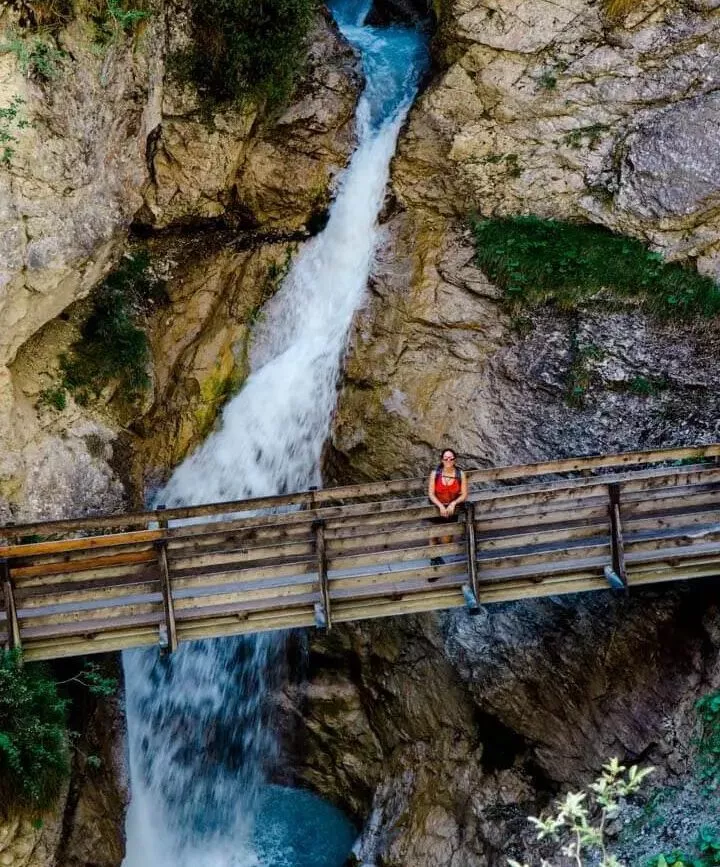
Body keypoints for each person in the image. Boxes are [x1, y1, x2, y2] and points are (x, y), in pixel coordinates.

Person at [427, 448, 468, 571]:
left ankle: (437, 557)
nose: (448, 460)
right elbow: (431, 493)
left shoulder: (460, 474)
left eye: (451, 458)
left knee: (446, 540)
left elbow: (464, 494)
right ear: (442, 460)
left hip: (451, 510)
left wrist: (453, 503)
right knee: (433, 536)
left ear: (455, 460)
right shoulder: (435, 474)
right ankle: (434, 562)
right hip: (435, 507)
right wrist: (440, 506)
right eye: (446, 458)